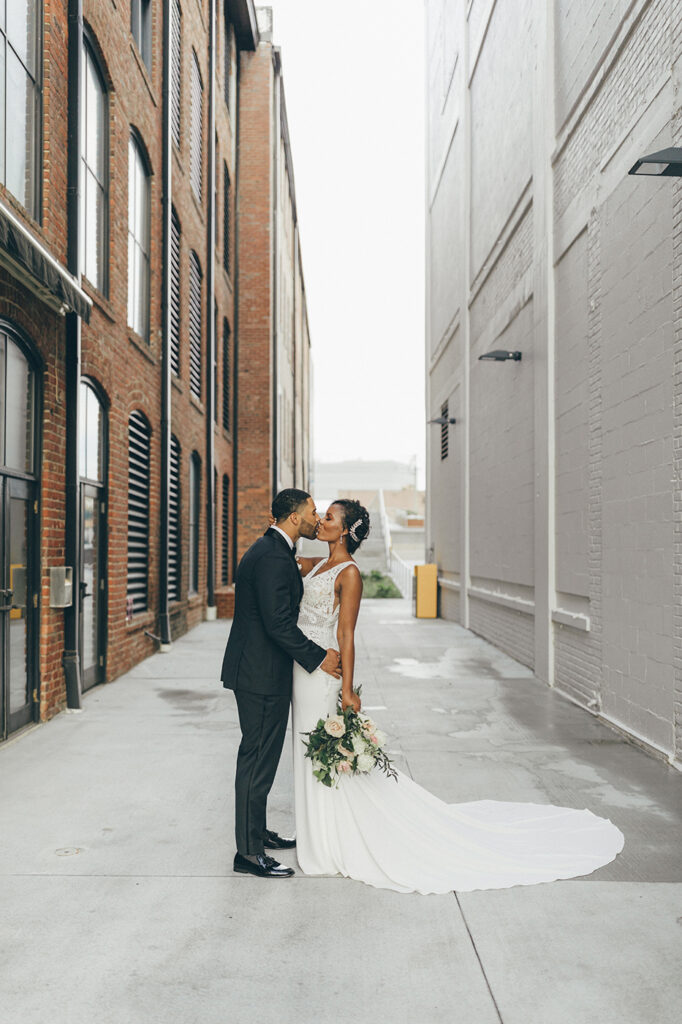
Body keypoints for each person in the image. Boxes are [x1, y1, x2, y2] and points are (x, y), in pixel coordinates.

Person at [291, 498, 625, 894]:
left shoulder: (349, 574)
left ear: (345, 529)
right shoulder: (317, 565)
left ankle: (328, 843)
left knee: (318, 750)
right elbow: (286, 560)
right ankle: (317, 833)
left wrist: (348, 689)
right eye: (322, 516)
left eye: (328, 517)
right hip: (301, 670)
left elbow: (346, 634)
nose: (322, 521)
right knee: (304, 749)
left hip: (325, 673)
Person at [221, 488, 342, 879]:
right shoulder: (272, 555)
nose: (316, 518)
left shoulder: (275, 550)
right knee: (256, 761)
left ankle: (256, 832)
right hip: (259, 676)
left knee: (263, 761)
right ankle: (248, 853)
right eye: (311, 512)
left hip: (261, 672)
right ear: (293, 518)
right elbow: (277, 624)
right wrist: (319, 656)